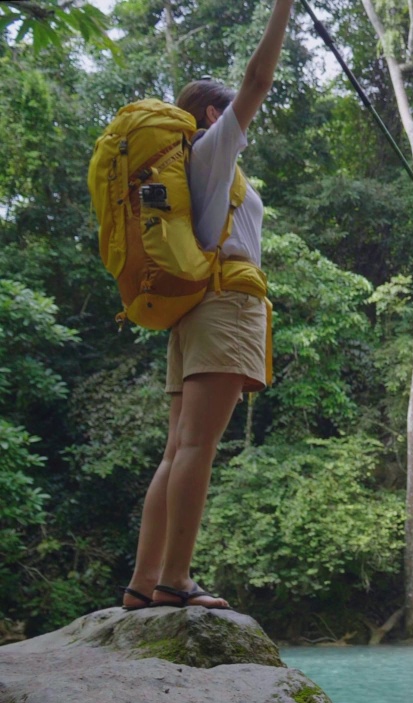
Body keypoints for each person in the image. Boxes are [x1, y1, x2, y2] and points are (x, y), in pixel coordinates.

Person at [118, 0, 294, 611]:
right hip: (225, 306)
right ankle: (176, 580)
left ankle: (145, 583)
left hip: (192, 316)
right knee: (197, 448)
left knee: (177, 449)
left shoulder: (189, 171)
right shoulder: (211, 153)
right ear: (214, 114)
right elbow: (260, 79)